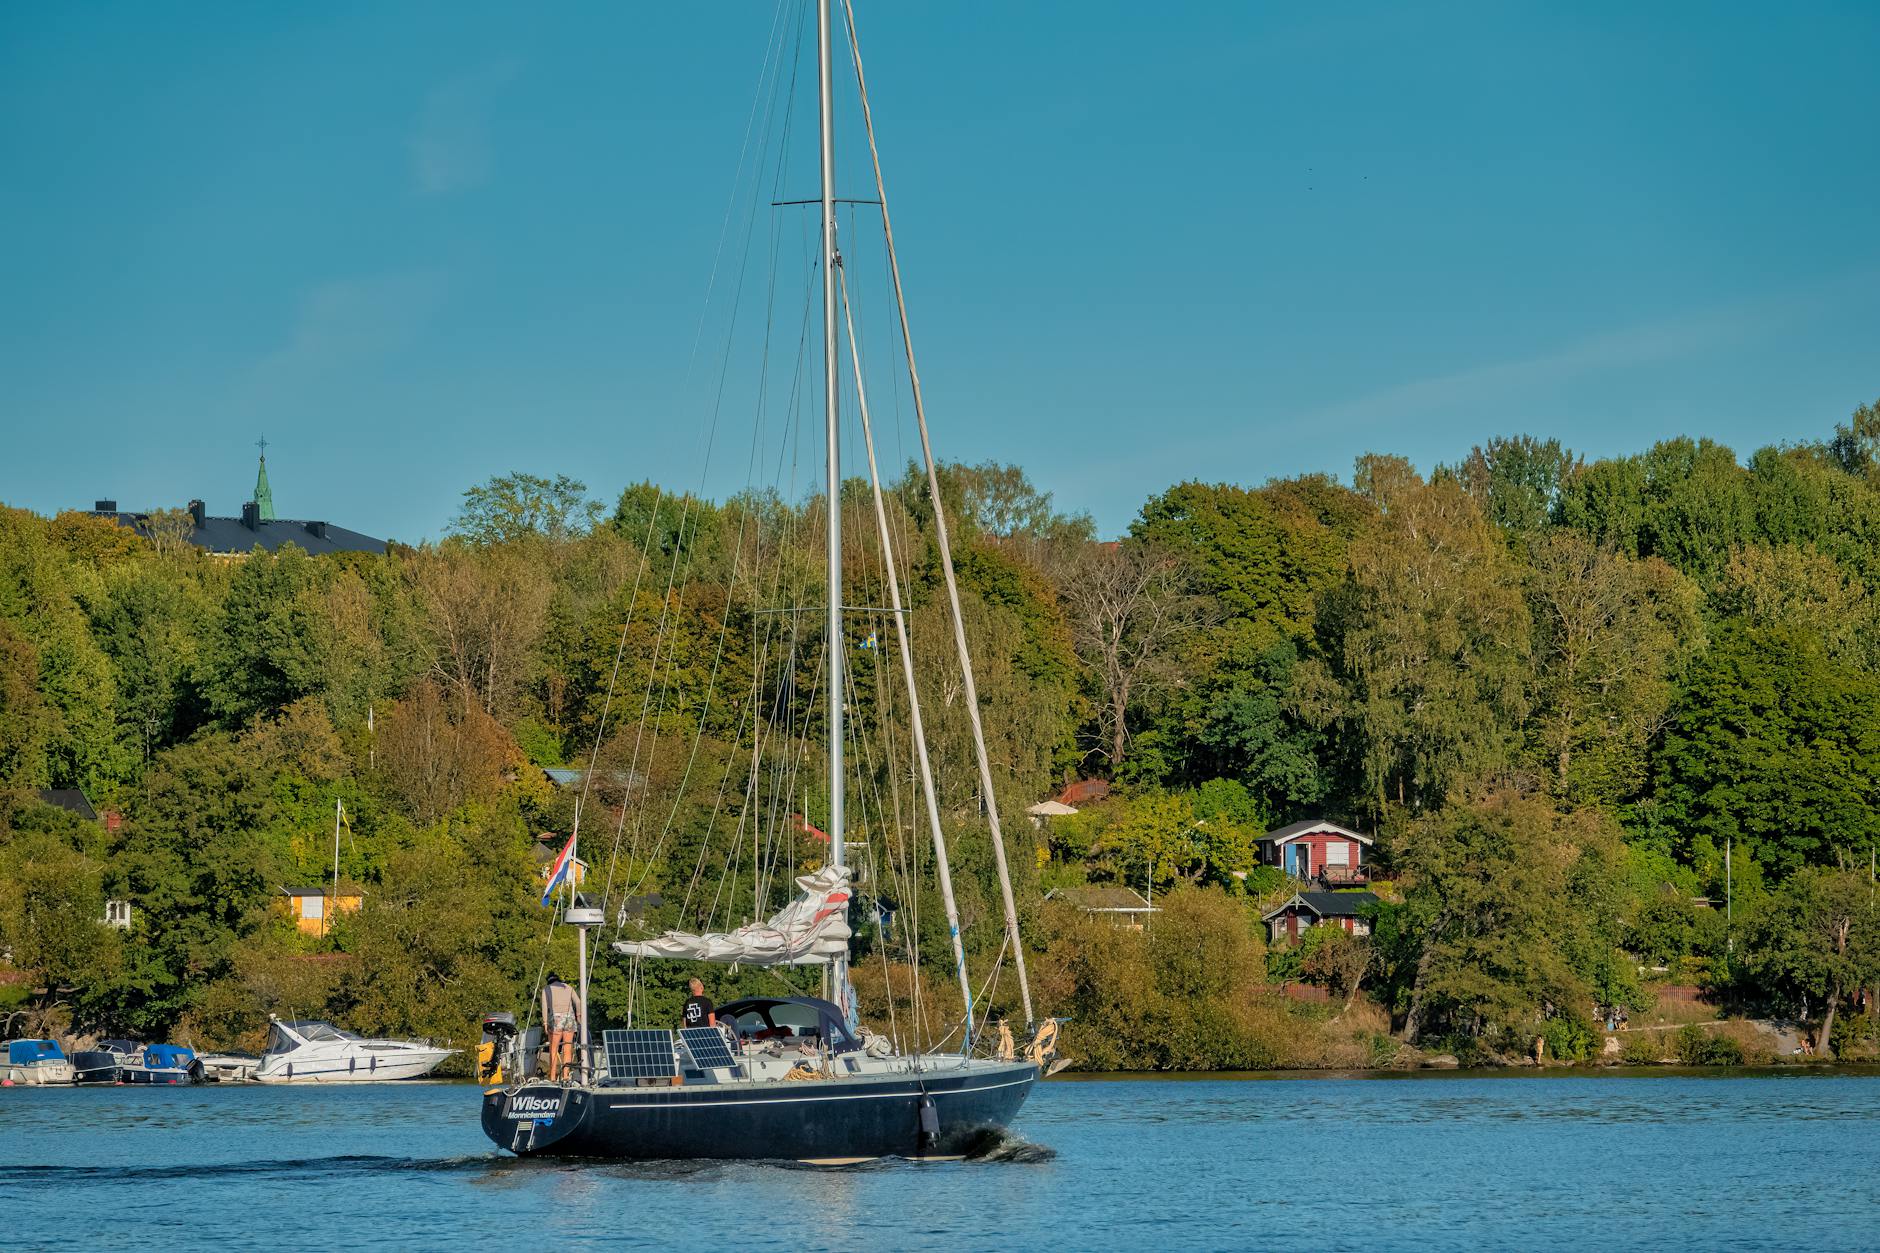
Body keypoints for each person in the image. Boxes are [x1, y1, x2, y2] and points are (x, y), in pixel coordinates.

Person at [543, 974, 579, 1081]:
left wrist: (545, 1022)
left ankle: (553, 1077)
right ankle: (566, 1076)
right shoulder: (569, 987)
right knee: (567, 1049)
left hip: (555, 1019)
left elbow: (544, 1006)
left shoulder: (546, 989)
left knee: (553, 1049)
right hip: (569, 1018)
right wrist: (578, 1015)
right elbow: (578, 1001)